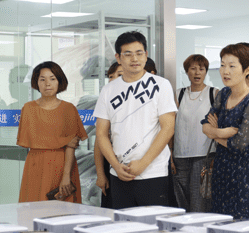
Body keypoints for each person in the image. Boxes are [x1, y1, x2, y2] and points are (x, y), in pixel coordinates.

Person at [93, 31, 176, 208]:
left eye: (139, 53)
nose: (135, 59)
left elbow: (168, 128)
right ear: (118, 57)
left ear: (146, 55)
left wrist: (143, 164)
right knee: (123, 223)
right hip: (119, 174)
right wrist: (116, 166)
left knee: (154, 224)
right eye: (128, 54)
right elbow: (101, 134)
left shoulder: (161, 85)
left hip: (154, 173)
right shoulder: (108, 90)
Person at [202, 44, 249, 219]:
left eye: (232, 66)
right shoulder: (223, 94)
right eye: (222, 65)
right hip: (221, 173)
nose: (225, 71)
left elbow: (239, 144)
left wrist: (214, 133)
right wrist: (222, 133)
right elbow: (205, 126)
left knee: (243, 226)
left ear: (247, 70)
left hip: (244, 177)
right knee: (220, 224)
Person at [17, 62, 87, 203]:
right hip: (35, 165)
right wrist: (62, 141)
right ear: (36, 82)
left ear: (59, 81)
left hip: (63, 166)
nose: (47, 83)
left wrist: (66, 176)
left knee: (64, 210)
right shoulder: (28, 108)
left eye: (52, 78)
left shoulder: (68, 109)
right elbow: (28, 140)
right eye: (42, 79)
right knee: (34, 208)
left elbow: (71, 146)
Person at [172, 54, 219, 212]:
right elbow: (171, 125)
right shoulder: (179, 94)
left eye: (201, 69)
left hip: (204, 155)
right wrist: (170, 152)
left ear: (206, 72)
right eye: (193, 68)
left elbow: (219, 125)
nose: (197, 72)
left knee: (198, 201)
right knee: (180, 201)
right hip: (180, 156)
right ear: (186, 72)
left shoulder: (214, 93)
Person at [94, 62, 125, 208]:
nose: (113, 80)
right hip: (111, 165)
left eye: (119, 75)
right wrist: (101, 174)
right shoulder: (106, 102)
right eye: (111, 77)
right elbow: (99, 141)